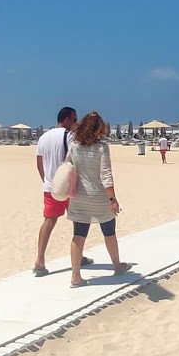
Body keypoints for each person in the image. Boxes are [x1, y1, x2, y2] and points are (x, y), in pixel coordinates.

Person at [66, 111, 132, 287]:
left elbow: (68, 168)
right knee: (109, 231)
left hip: (79, 197)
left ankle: (75, 276)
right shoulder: (102, 147)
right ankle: (117, 266)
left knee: (79, 235)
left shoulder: (74, 146)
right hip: (99, 197)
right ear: (98, 129)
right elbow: (106, 176)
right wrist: (113, 200)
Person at [33, 107, 90, 277]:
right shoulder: (69, 135)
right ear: (65, 119)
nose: (75, 123)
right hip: (68, 186)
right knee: (78, 221)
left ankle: (40, 260)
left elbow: (39, 163)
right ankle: (77, 256)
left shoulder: (43, 137)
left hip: (50, 187)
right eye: (74, 119)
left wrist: (47, 181)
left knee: (49, 222)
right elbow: (77, 159)